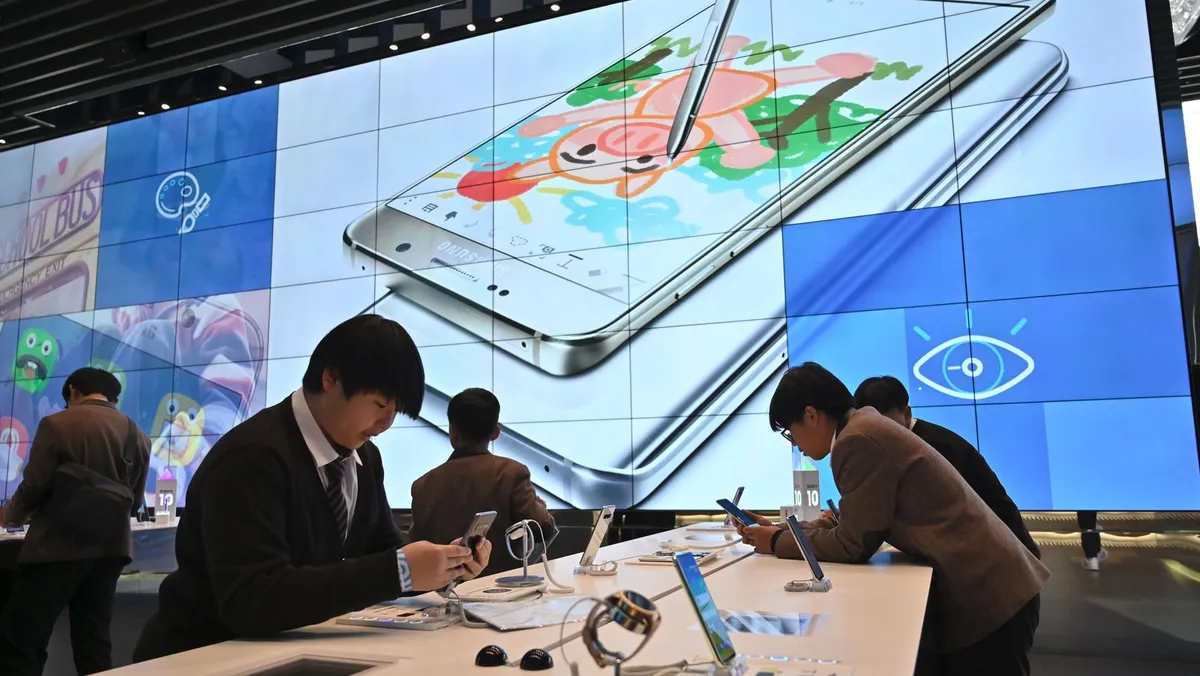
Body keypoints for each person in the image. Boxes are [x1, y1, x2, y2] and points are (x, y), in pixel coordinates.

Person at [132, 315, 491, 661]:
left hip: (291, 650)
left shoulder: (364, 457)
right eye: (380, 404)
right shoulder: (252, 457)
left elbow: (380, 552)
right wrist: (398, 570)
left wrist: (442, 565)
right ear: (331, 378)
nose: (386, 422)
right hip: (201, 656)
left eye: (396, 411)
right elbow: (253, 598)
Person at [738, 363, 1049, 676]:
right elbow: (855, 519)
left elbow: (852, 544)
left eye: (790, 432)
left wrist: (776, 542)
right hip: (986, 589)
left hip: (989, 595)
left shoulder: (857, 440)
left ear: (811, 414)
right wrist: (780, 530)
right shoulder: (863, 426)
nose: (795, 443)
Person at [0, 367, 151, 676]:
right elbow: (134, 502)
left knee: (24, 641)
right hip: (110, 550)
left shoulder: (57, 424)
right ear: (114, 399)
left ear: (72, 391)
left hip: (55, 549)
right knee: (94, 643)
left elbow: (34, 487)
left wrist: (9, 517)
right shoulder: (138, 435)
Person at [852, 375, 1040, 558]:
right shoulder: (900, 445)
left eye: (885, 424)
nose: (877, 432)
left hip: (1006, 555)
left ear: (907, 413)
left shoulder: (934, 447)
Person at [410, 388, 557, 577]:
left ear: (452, 431)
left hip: (437, 592)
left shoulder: (422, 486)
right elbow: (542, 530)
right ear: (495, 432)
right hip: (506, 589)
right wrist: (541, 510)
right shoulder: (512, 474)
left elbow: (416, 551)